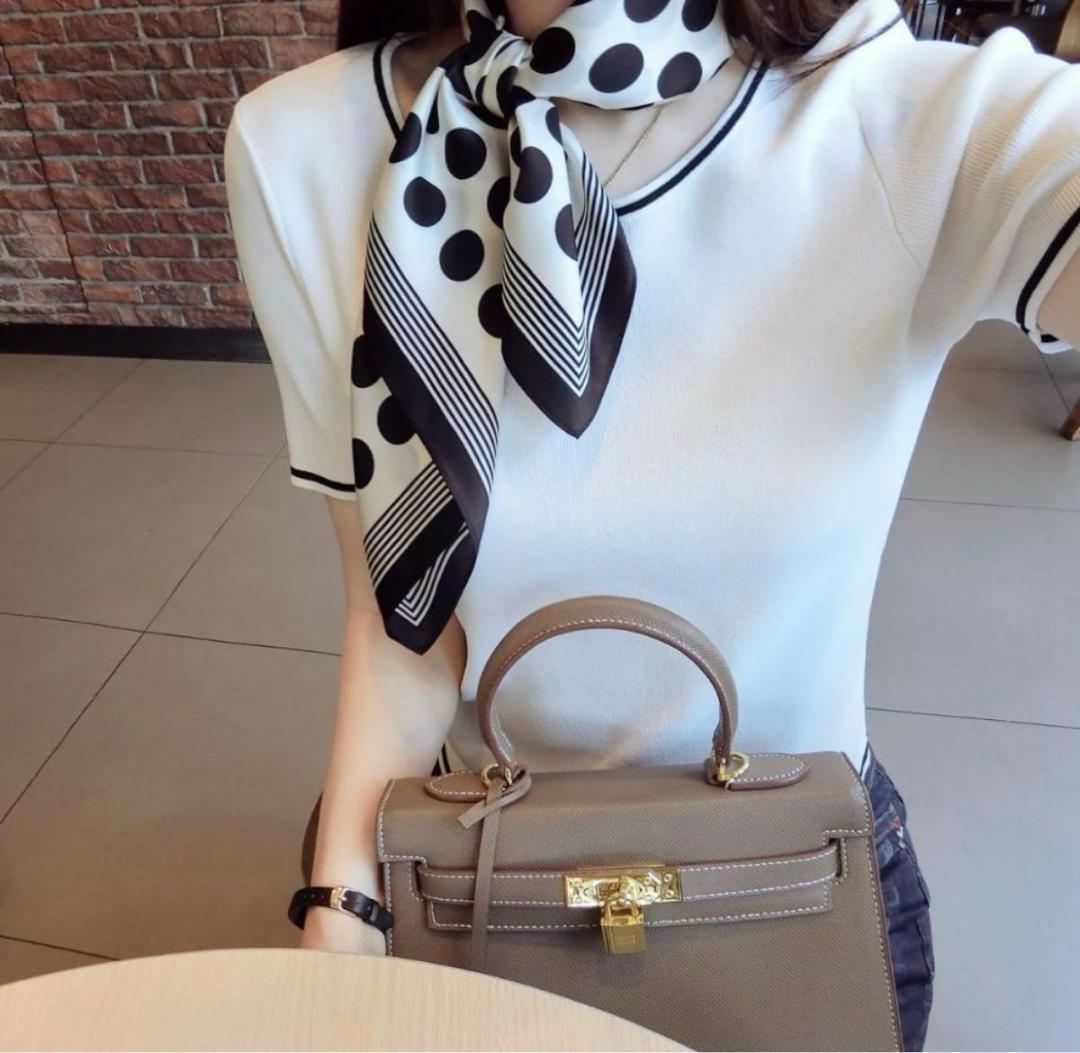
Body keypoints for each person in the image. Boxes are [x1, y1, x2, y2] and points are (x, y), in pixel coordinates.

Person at [224, 1, 1080, 1048]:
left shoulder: (902, 111)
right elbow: (399, 621)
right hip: (476, 863)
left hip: (790, 877)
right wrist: (344, 911)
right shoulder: (305, 145)